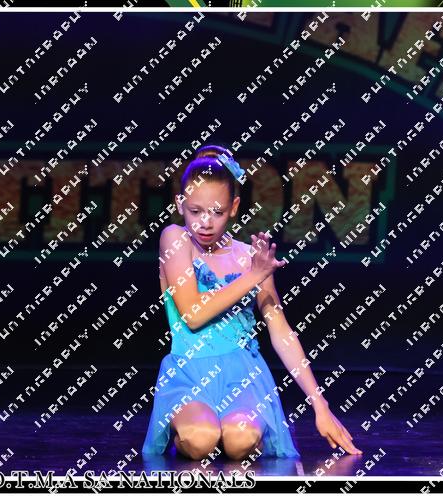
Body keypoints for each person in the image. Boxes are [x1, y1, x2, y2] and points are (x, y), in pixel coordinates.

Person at [141, 144, 362, 461]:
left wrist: (320, 404)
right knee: (201, 437)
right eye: (196, 211)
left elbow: (281, 331)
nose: (205, 222)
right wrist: (254, 276)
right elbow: (192, 314)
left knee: (240, 439)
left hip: (243, 373)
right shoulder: (175, 238)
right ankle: (192, 432)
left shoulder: (249, 257)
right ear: (180, 204)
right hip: (189, 372)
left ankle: (239, 435)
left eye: (217, 212)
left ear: (233, 207)